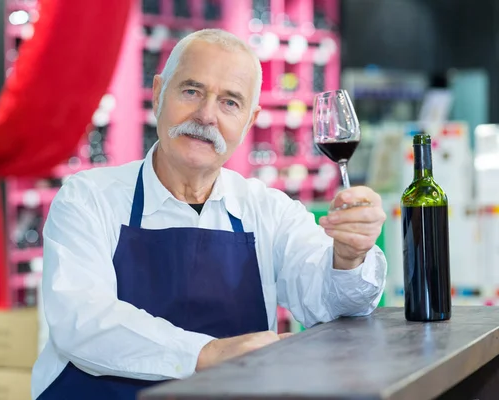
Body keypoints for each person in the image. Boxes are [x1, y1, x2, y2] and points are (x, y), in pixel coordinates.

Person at [31, 28, 387, 400]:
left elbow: (330, 302)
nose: (206, 115)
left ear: (250, 121)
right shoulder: (88, 199)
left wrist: (348, 259)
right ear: (157, 94)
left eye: (230, 102)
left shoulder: (267, 209)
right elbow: (82, 323)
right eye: (191, 91)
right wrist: (207, 353)